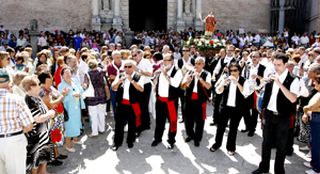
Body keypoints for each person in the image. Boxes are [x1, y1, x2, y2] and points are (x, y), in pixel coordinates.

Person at [252, 53, 300, 174]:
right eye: (274, 64)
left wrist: (279, 84)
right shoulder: (271, 75)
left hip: (283, 116)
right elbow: (265, 93)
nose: (276, 67)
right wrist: (261, 83)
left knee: (281, 145)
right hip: (269, 114)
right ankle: (263, 167)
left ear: (286, 65)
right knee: (266, 143)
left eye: (279, 65)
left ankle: (279, 170)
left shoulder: (294, 79)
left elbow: (293, 99)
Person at [0, 69, 33, 174]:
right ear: (9, 82)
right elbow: (29, 125)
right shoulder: (16, 99)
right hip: (14, 141)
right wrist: (15, 132)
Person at [209, 63, 245, 156]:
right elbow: (218, 91)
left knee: (233, 129)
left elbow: (245, 92)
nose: (233, 73)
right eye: (231, 70)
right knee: (220, 127)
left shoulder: (243, 80)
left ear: (239, 71)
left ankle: (231, 147)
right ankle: (217, 144)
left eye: (235, 70)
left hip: (237, 108)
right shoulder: (225, 79)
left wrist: (236, 82)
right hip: (225, 107)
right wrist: (224, 83)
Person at [22, 76, 56, 174]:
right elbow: (38, 119)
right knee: (35, 161)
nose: (40, 86)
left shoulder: (36, 97)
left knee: (43, 158)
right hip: (37, 137)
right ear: (31, 87)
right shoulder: (29, 100)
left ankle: (43, 172)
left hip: (43, 135)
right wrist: (50, 114)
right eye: (38, 84)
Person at [151, 53, 183, 149]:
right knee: (159, 121)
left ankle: (171, 140)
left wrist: (165, 74)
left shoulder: (178, 71)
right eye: (163, 60)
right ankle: (157, 138)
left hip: (171, 102)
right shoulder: (160, 70)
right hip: (160, 100)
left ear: (172, 61)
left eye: (167, 60)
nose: (164, 62)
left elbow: (175, 84)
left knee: (172, 122)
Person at [111, 59, 144, 151]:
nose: (127, 69)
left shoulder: (138, 76)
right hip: (122, 104)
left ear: (133, 67)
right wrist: (119, 82)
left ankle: (130, 141)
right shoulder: (120, 75)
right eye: (125, 66)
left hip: (133, 104)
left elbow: (141, 89)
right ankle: (117, 142)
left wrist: (132, 81)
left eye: (129, 66)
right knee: (119, 124)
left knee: (132, 124)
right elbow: (113, 88)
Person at [38, 72, 69, 166]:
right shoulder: (42, 91)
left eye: (51, 80)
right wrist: (62, 96)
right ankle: (51, 159)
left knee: (55, 137)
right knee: (51, 138)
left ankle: (56, 154)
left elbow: (58, 97)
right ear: (42, 82)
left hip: (57, 117)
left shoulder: (50, 88)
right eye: (48, 81)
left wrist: (61, 95)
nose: (51, 82)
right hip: (50, 118)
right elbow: (51, 104)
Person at [181, 57, 211, 147]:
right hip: (189, 99)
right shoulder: (189, 72)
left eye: (199, 63)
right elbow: (182, 86)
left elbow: (208, 86)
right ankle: (190, 135)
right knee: (187, 120)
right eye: (196, 63)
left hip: (200, 101)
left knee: (199, 121)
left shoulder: (207, 74)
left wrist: (200, 79)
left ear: (203, 65)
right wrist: (187, 81)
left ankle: (197, 138)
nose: (197, 65)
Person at [58, 67, 84, 153]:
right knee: (69, 126)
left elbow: (80, 90)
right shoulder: (61, 85)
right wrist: (71, 96)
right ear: (62, 75)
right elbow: (61, 99)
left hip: (76, 107)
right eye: (66, 73)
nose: (68, 75)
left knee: (77, 123)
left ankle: (75, 139)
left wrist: (79, 93)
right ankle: (68, 145)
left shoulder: (74, 81)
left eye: (69, 73)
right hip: (68, 109)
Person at [83, 59, 109, 137]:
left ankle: (95, 132)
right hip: (101, 94)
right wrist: (108, 95)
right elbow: (105, 84)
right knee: (101, 113)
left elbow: (85, 85)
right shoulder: (101, 73)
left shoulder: (87, 74)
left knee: (93, 114)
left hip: (92, 96)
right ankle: (102, 129)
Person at [302, 73, 320, 174]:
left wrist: (306, 110)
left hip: (317, 119)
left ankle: (317, 168)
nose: (313, 84)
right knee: (314, 143)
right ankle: (314, 163)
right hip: (315, 117)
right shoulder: (318, 93)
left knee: (317, 145)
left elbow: (309, 107)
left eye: (316, 82)